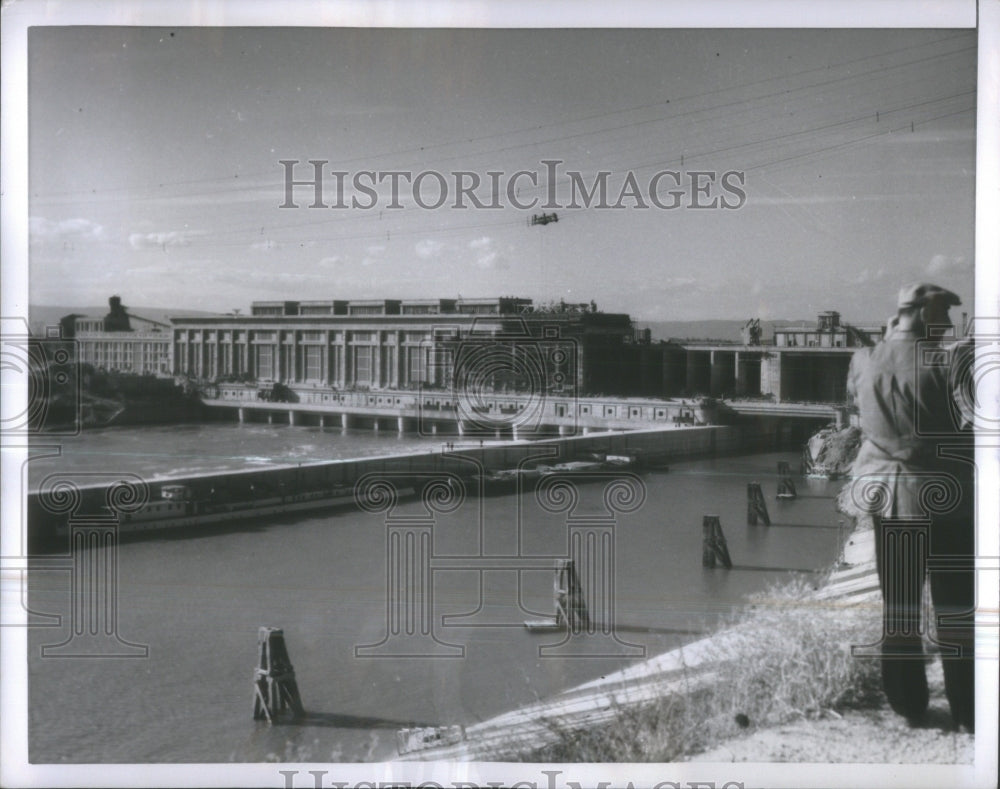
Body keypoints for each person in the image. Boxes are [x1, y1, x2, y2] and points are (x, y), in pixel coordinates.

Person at [851, 282, 975, 731]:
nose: (944, 329)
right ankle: (968, 708)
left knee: (899, 606)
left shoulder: (864, 359)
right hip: (946, 499)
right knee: (956, 606)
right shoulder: (946, 360)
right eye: (940, 320)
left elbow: (863, 411)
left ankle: (908, 704)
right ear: (923, 316)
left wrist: (890, 341)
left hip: (889, 498)